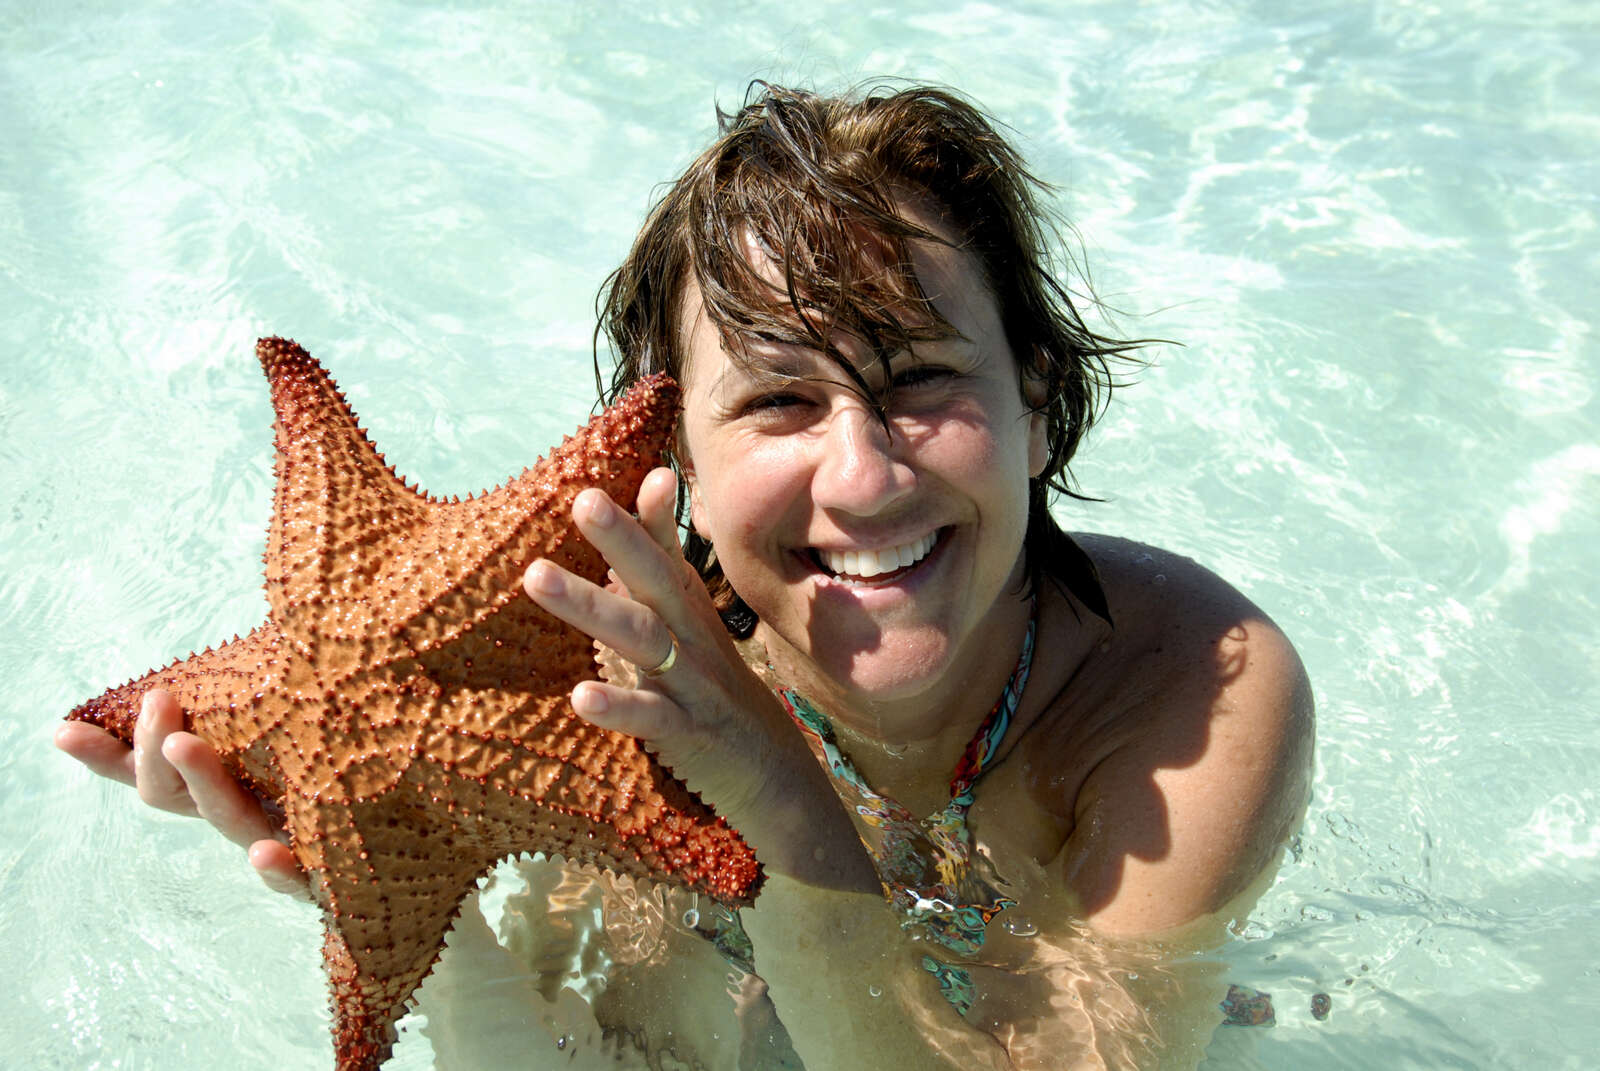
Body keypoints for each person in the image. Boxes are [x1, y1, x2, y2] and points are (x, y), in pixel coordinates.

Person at [56, 83, 1313, 1069]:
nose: (863, 478)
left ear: (1036, 404)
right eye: (777, 399)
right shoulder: (606, 675)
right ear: (682, 460)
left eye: (921, 379)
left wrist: (777, 795)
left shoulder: (1191, 695)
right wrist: (374, 873)